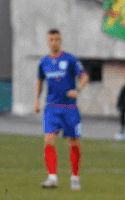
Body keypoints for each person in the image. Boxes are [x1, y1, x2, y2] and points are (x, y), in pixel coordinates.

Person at [35, 28, 88, 190]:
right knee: (48, 140)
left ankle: (75, 177)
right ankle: (52, 177)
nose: (54, 42)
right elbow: (39, 81)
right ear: (47, 41)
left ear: (61, 41)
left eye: (57, 39)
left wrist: (77, 90)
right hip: (51, 107)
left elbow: (84, 76)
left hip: (69, 108)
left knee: (73, 142)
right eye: (51, 40)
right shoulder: (43, 62)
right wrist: (36, 101)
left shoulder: (70, 59)